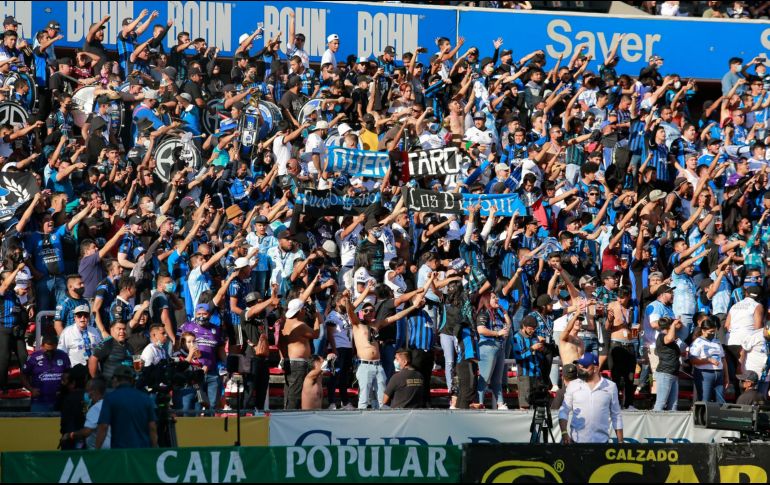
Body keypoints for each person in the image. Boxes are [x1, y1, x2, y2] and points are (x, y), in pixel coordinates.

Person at [559, 353, 624, 444]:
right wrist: (564, 433)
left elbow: (616, 415)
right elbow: (563, 410)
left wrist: (621, 441)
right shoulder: (573, 385)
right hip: (576, 442)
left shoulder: (611, 386)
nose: (580, 369)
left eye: (584, 367)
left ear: (596, 368)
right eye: (579, 366)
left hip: (602, 443)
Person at [96, 366, 157, 449]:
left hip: (121, 453)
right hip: (143, 452)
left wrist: (97, 450)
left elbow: (103, 426)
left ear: (115, 379)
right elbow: (152, 427)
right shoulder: (145, 398)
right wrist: (154, 448)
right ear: (132, 381)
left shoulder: (110, 398)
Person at [21, 334, 70, 412]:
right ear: (42, 346)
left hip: (59, 400)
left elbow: (67, 372)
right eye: (47, 350)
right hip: (39, 401)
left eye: (52, 350)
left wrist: (65, 381)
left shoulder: (63, 356)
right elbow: (23, 375)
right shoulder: (33, 357)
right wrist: (31, 389)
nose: (49, 353)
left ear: (56, 346)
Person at [689, 317, 728, 403]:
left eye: (714, 331)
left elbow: (723, 359)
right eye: (710, 332)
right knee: (704, 401)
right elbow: (692, 360)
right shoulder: (697, 342)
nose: (713, 333)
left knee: (721, 401)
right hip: (705, 374)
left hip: (719, 374)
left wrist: (726, 377)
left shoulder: (717, 341)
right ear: (703, 330)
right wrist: (708, 360)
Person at [653, 317, 684, 411]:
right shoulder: (662, 336)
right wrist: (674, 325)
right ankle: (654, 423)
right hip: (665, 373)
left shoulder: (669, 340)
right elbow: (669, 338)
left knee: (673, 405)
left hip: (673, 373)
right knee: (661, 403)